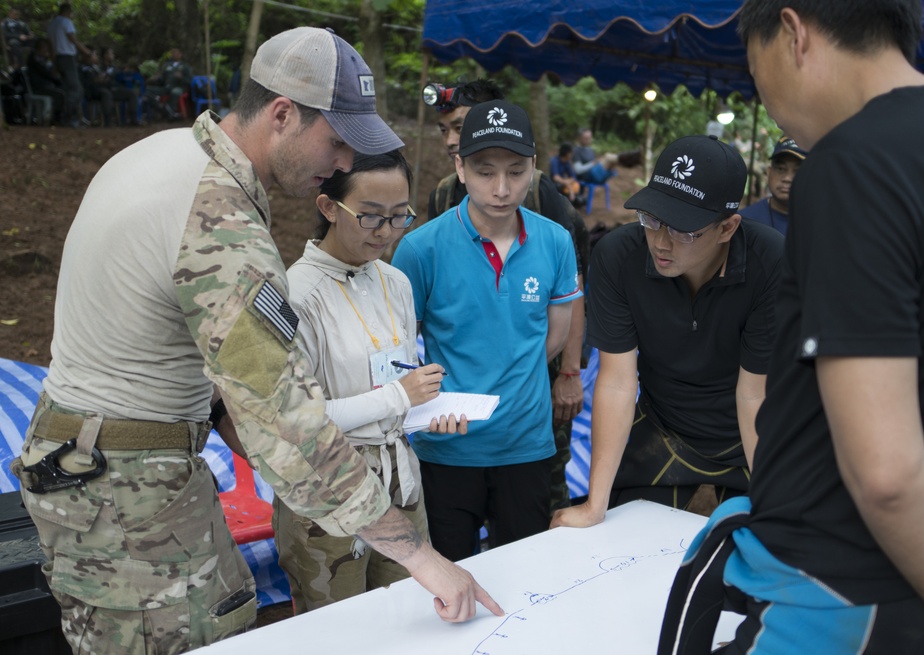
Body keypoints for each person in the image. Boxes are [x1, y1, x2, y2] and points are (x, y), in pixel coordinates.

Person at [11, 26, 501, 655]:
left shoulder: (167, 155)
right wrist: (422, 557)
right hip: (127, 494)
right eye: (339, 142)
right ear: (282, 114)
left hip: (102, 471)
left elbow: (210, 369)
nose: (346, 164)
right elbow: (284, 415)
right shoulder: (219, 218)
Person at [658, 2, 924, 653]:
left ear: (793, 33)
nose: (771, 101)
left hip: (843, 589)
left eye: (758, 72)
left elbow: (886, 473)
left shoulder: (852, 166)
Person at [550, 135, 782, 531]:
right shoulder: (618, 257)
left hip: (749, 428)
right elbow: (618, 383)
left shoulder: (770, 261)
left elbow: (753, 393)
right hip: (664, 423)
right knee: (620, 537)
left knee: (767, 534)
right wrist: (594, 506)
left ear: (727, 228)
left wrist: (772, 507)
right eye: (652, 219)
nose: (660, 242)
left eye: (683, 231)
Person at [274, 150, 468, 612]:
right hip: (328, 491)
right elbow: (297, 422)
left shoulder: (395, 281)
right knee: (337, 626)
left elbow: (400, 385)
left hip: (401, 481)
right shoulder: (297, 295)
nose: (385, 232)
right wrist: (398, 397)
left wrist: (427, 415)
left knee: (408, 614)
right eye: (370, 217)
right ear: (328, 208)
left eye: (399, 217)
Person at [392, 100, 582, 561]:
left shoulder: (556, 241)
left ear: (534, 168)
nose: (501, 188)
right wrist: (420, 405)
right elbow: (395, 346)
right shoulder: (420, 248)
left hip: (526, 445)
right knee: (449, 575)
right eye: (484, 171)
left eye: (516, 172)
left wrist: (522, 371)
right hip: (446, 447)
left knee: (524, 574)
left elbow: (555, 336)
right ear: (459, 167)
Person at [424, 79, 590, 513]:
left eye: (459, 126)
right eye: (444, 131)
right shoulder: (442, 195)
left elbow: (573, 286)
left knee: (542, 489)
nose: (451, 140)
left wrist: (568, 374)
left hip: (533, 386)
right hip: (459, 408)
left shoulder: (537, 193)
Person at [738, 135, 807, 235]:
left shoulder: (824, 222)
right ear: (769, 172)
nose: (787, 178)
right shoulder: (744, 222)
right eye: (781, 169)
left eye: (798, 171)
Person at [46, 2, 89, 128]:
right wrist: (87, 52)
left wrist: (54, 64)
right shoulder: (66, 22)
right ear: (68, 11)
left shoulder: (52, 25)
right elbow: (72, 38)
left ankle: (60, 117)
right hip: (67, 57)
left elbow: (50, 46)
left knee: (66, 89)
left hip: (58, 58)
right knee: (76, 90)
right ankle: (69, 118)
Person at [571, 128, 641, 184]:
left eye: (589, 138)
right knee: (608, 157)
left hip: (597, 175)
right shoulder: (577, 151)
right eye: (586, 138)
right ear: (579, 138)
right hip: (587, 177)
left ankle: (636, 159)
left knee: (613, 161)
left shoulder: (589, 149)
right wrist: (592, 164)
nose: (588, 141)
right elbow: (578, 170)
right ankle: (637, 155)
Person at [25, 38, 64, 125]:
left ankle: (54, 117)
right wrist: (56, 80)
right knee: (59, 95)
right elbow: (46, 74)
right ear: (40, 48)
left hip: (44, 86)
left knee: (60, 91)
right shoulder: (35, 59)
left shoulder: (42, 59)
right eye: (45, 48)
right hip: (38, 87)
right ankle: (55, 118)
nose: (46, 51)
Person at [147, 47, 191, 119]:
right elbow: (162, 79)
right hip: (166, 87)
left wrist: (181, 78)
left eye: (176, 53)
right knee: (148, 90)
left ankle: (171, 113)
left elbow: (188, 81)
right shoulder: (166, 65)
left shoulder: (185, 66)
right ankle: (160, 106)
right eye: (172, 53)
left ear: (180, 54)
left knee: (175, 92)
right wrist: (157, 78)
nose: (174, 54)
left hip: (178, 87)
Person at [79, 49, 114, 127]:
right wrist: (94, 80)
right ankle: (107, 121)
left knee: (107, 92)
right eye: (94, 55)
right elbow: (84, 82)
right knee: (106, 93)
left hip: (100, 89)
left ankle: (105, 120)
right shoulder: (81, 67)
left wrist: (103, 80)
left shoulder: (95, 67)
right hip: (89, 91)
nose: (96, 57)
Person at [550, 142, 582, 207]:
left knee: (576, 185)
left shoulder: (567, 162)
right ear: (567, 153)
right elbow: (555, 177)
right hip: (557, 184)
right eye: (571, 153)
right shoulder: (555, 160)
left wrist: (568, 182)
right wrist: (567, 182)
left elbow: (573, 177)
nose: (572, 154)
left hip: (564, 183)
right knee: (559, 186)